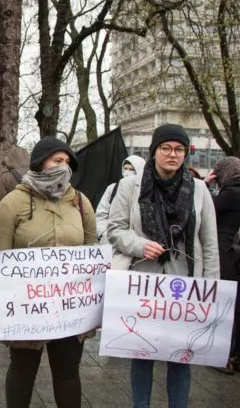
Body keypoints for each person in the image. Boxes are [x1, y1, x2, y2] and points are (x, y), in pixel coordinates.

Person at [107, 123, 219, 408]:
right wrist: (139, 245)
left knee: (181, 357)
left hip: (186, 289)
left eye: (179, 149)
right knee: (142, 354)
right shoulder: (130, 186)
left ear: (186, 153)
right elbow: (115, 229)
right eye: (166, 148)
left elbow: (209, 243)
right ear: (154, 151)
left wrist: (211, 289)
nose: (173, 154)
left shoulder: (199, 189)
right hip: (143, 285)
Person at [0, 137, 97, 408]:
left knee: (68, 372)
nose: (63, 167)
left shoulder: (80, 203)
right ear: (39, 163)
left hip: (70, 308)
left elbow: (93, 252)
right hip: (27, 306)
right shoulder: (13, 203)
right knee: (22, 371)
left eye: (67, 162)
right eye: (57, 161)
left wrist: (94, 305)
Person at [210, 156, 240, 374]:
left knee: (224, 304)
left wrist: (204, 185)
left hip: (223, 251)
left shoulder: (230, 193)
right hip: (235, 252)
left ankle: (223, 355)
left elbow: (205, 209)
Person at [96, 155, 145, 244]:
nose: (127, 172)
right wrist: (105, 234)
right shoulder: (112, 188)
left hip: (139, 244)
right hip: (113, 242)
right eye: (125, 168)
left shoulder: (146, 191)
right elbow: (101, 214)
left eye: (131, 169)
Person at [0, 145, 30, 210]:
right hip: (35, 214)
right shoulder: (37, 174)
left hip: (13, 213)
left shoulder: (6, 177)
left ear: (11, 158)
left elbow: (0, 204)